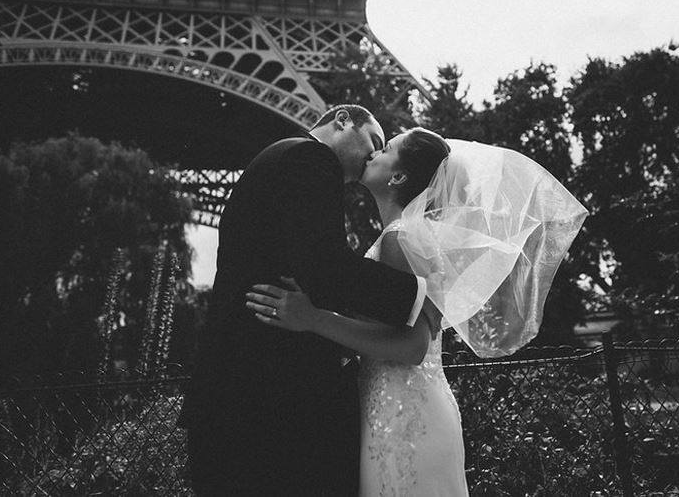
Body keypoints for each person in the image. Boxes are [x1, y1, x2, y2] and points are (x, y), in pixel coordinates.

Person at [248, 129, 588, 496]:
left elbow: (412, 347)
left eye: (387, 148)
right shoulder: (408, 237)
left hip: (403, 419)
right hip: (409, 409)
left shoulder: (400, 240)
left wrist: (314, 319)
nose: (376, 151)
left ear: (397, 177)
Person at [179, 105, 427, 496]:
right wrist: (418, 293)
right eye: (374, 141)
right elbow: (324, 266)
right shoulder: (309, 158)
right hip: (268, 402)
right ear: (342, 120)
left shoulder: (281, 159)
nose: (373, 155)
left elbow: (310, 268)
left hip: (237, 396)